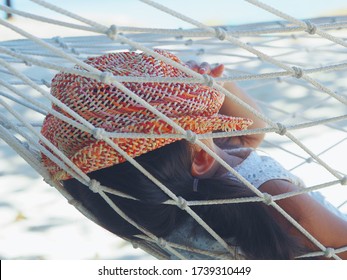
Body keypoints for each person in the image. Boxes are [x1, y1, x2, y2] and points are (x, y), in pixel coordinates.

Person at [41, 49, 347, 260]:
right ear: (200, 157)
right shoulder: (274, 196)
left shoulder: (137, 204)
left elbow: (247, 135)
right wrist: (215, 85)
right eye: (200, 120)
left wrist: (218, 86)